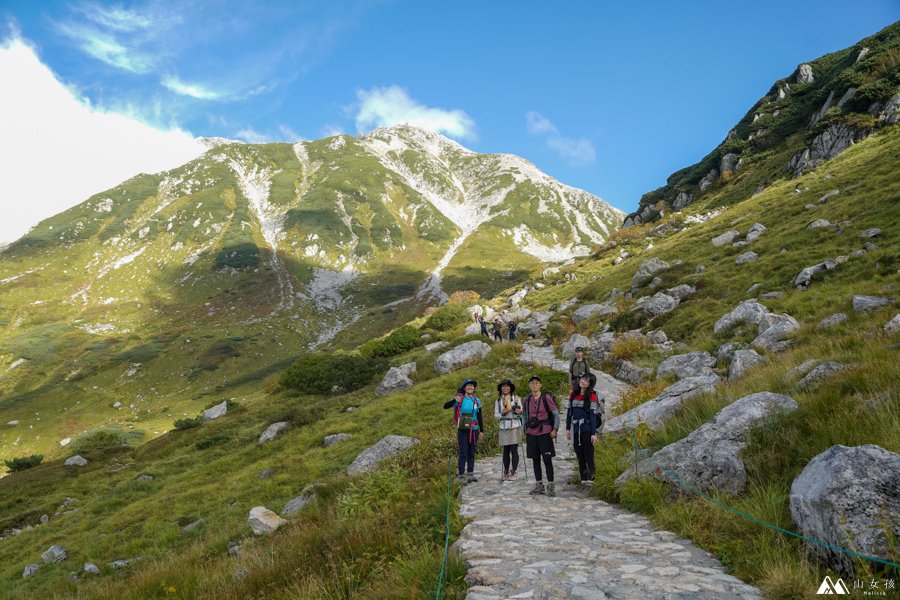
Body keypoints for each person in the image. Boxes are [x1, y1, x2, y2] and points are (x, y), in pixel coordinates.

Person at [523, 375, 559, 496]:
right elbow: (524, 415)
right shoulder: (527, 399)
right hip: (532, 433)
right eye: (532, 383)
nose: (534, 385)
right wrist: (525, 427)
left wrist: (555, 429)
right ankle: (539, 485)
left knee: (547, 459)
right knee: (535, 459)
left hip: (545, 432)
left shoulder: (546, 397)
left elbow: (555, 414)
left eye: (536, 383)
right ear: (529, 385)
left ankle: (551, 485)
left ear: (540, 385)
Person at [443, 378, 484, 483]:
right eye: (468, 385)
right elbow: (445, 406)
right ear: (464, 388)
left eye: (472, 386)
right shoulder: (460, 399)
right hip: (462, 429)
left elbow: (480, 416)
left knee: (472, 452)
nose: (470, 387)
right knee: (463, 452)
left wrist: (482, 431)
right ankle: (461, 475)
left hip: (474, 429)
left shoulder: (476, 400)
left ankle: (470, 473)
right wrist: (454, 400)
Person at [566, 372, 600, 482]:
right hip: (576, 429)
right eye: (583, 379)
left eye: (586, 380)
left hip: (586, 429)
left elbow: (593, 415)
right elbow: (569, 412)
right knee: (580, 457)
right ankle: (583, 480)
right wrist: (567, 428)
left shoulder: (592, 396)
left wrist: (593, 434)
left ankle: (592, 481)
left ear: (590, 384)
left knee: (588, 456)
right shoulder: (573, 394)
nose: (583, 381)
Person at [494, 378, 523, 481]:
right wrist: (502, 413)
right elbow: (496, 415)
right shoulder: (498, 401)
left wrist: (517, 411)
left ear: (510, 388)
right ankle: (506, 471)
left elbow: (521, 411)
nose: (505, 388)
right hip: (504, 426)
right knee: (506, 450)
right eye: (503, 386)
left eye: (507, 386)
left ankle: (514, 471)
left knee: (514, 449)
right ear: (501, 388)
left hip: (514, 425)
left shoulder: (516, 398)